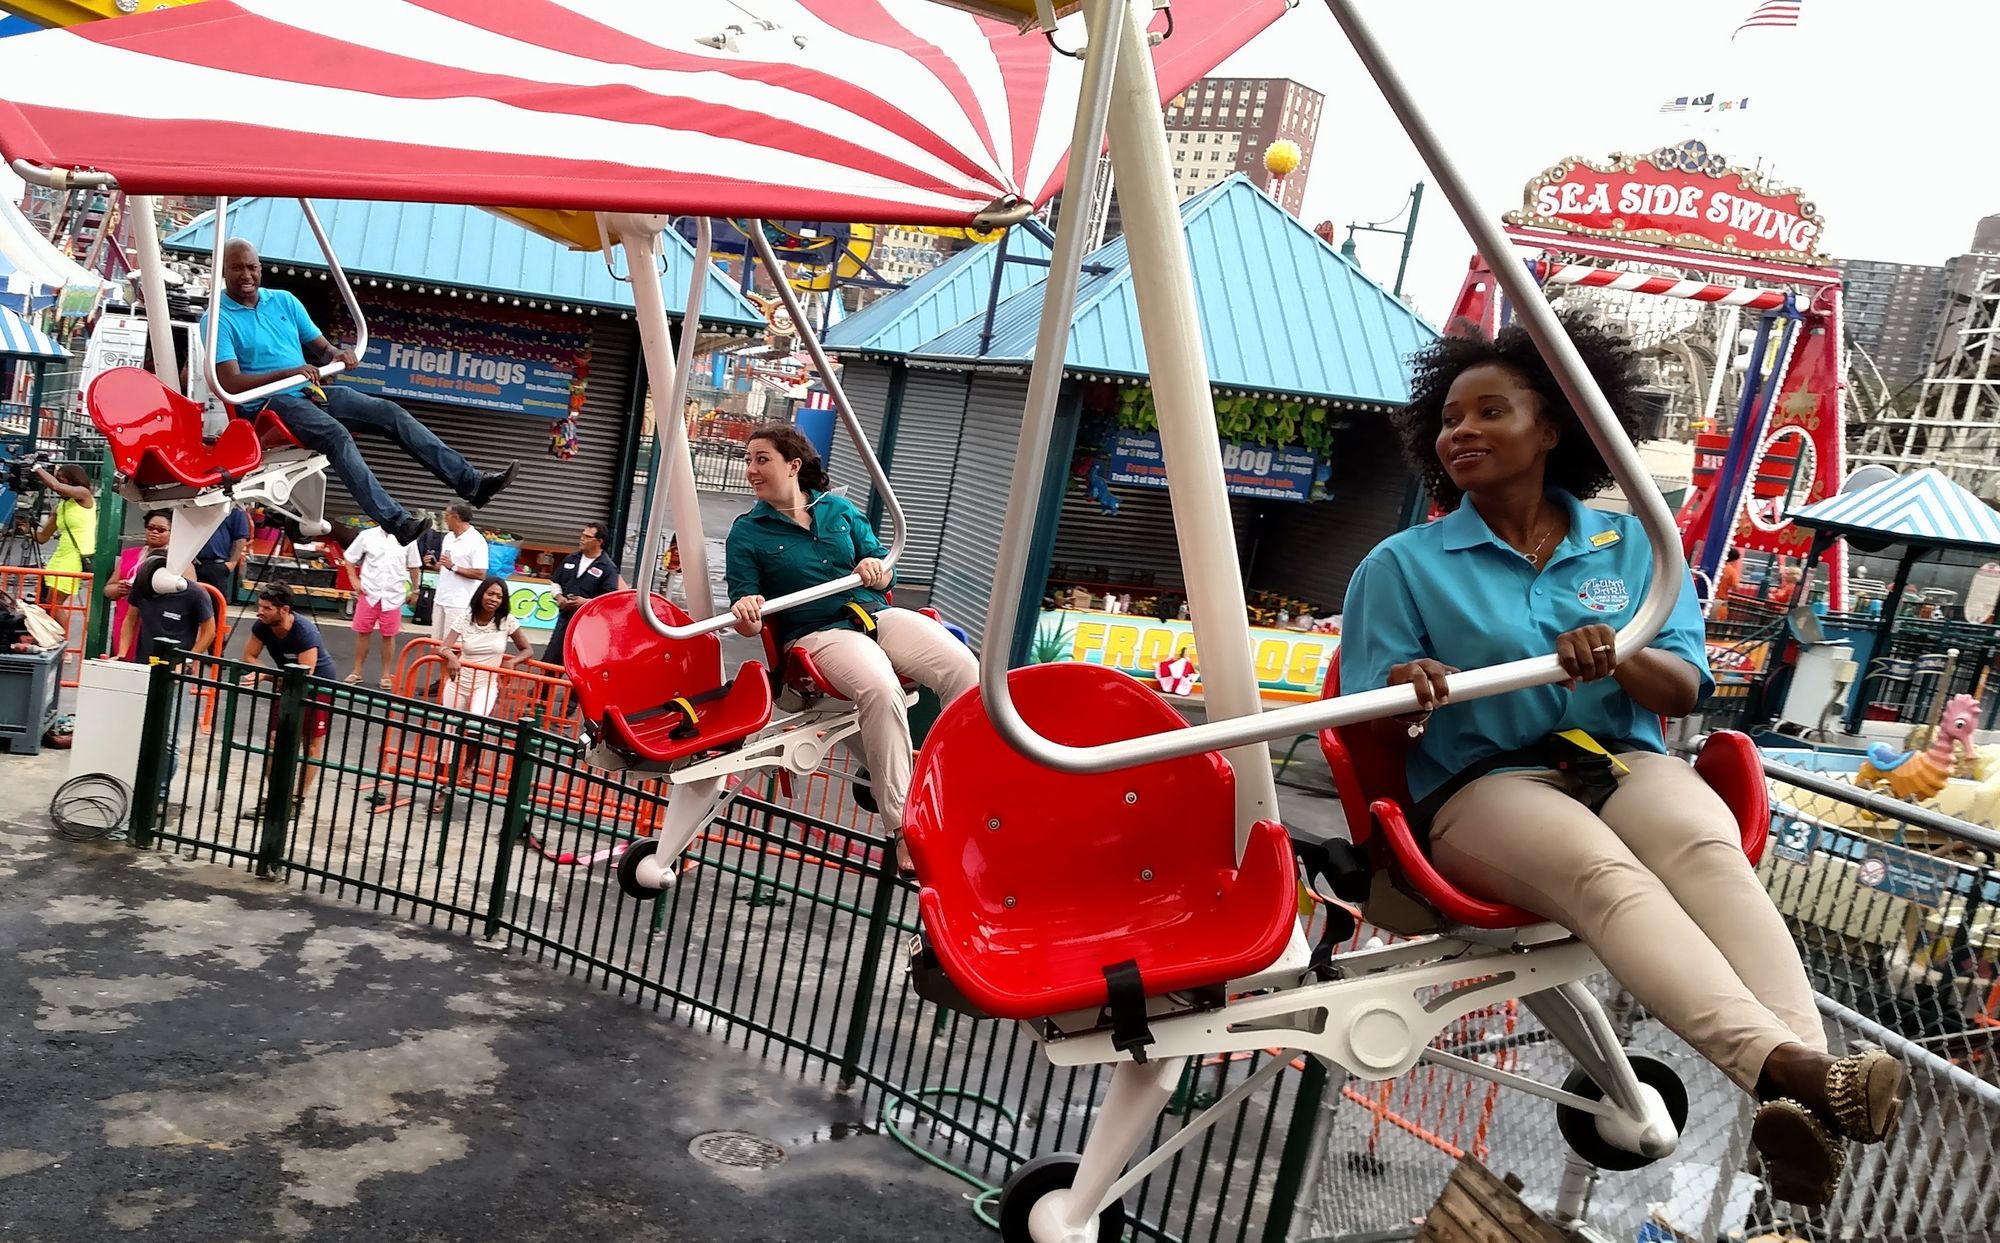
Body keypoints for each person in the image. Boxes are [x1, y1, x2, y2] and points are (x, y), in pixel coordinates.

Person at [1339, 319, 1906, 1208]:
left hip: (1618, 756)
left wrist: (1621, 656)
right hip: (1485, 781)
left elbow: (1680, 689)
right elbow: (1368, 713)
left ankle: (1799, 1087)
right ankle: (1798, 1068)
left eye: (1492, 410)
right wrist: (1416, 680)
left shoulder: (1634, 545)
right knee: (1606, 873)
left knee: (1701, 844)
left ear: (1553, 427)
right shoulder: (1402, 565)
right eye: (1450, 418)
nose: (1463, 431)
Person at [725, 423, 978, 865]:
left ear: (793, 465)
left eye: (761, 459)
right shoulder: (748, 533)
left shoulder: (838, 511)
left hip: (874, 615)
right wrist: (748, 608)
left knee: (965, 671)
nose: (750, 470)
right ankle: (903, 826)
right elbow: (747, 620)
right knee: (882, 691)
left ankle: (952, 782)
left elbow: (884, 565)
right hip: (820, 633)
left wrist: (877, 568)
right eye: (748, 461)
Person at [203, 238, 517, 546]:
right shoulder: (218, 318)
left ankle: (473, 483)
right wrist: (289, 373)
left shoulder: (283, 301)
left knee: (389, 412)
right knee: (336, 435)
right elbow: (230, 383)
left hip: (307, 392)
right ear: (224, 272)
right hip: (269, 405)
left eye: (252, 267)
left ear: (260, 268)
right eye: (237, 269)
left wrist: (337, 356)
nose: (247, 275)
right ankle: (396, 521)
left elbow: (323, 349)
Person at [114, 551, 217, 809]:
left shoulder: (194, 594)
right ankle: (132, 782)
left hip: (175, 673)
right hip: (144, 666)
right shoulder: (143, 587)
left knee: (168, 736)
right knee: (136, 728)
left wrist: (189, 660)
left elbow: (210, 630)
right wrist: (122, 653)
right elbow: (130, 619)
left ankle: (158, 792)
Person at [435, 576, 531, 814]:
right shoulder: (466, 618)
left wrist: (514, 663)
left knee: (476, 726)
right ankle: (442, 789)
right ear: (481, 594)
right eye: (490, 594)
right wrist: (452, 657)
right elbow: (443, 646)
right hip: (459, 683)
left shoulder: (507, 621)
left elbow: (527, 649)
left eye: (499, 596)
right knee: (448, 733)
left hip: (486, 684)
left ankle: (468, 765)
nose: (494, 599)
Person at [242, 582, 338, 815]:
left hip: (317, 685)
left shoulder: (305, 632)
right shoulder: (262, 626)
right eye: (260, 606)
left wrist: (267, 675)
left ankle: (297, 800)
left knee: (311, 744)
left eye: (267, 608)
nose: (260, 611)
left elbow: (306, 672)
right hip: (285, 680)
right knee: (275, 741)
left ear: (284, 610)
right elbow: (249, 655)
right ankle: (275, 797)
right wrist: (268, 673)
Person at [344, 521, 421, 689]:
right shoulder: (367, 535)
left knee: (389, 635)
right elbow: (349, 558)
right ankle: (357, 671)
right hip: (369, 592)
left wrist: (415, 590)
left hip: (393, 595)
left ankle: (386, 675)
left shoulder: (408, 539)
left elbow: (414, 566)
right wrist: (354, 580)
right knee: (363, 633)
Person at [542, 519, 623, 663]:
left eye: (587, 537)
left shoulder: (608, 568)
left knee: (581, 663)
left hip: (589, 625)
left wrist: (586, 603)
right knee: (551, 659)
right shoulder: (571, 559)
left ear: (599, 541)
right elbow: (556, 582)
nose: (582, 539)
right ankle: (544, 686)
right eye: (582, 535)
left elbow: (610, 600)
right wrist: (559, 597)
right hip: (566, 619)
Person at [102, 508, 177, 642]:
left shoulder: (178, 560)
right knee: (123, 658)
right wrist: (119, 589)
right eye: (150, 528)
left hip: (157, 623)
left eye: (161, 530)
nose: (154, 532)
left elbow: (187, 596)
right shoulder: (129, 554)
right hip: (125, 619)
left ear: (172, 533)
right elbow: (108, 590)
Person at [31, 462, 94, 610]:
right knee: (47, 603)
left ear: (74, 479)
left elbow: (56, 487)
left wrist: (37, 468)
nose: (59, 482)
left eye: (62, 478)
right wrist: (27, 529)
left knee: (54, 604)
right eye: (57, 478)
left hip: (74, 558)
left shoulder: (84, 494)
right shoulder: (61, 507)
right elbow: (42, 537)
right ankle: (52, 633)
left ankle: (62, 633)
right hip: (59, 557)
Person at [432, 502, 488, 642]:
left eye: (447, 516)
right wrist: (434, 564)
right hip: (440, 599)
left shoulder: (476, 541)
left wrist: (453, 567)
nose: (445, 519)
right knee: (435, 643)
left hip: (459, 602)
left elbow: (481, 573)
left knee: (452, 646)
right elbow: (445, 565)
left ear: (456, 518)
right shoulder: (448, 537)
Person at [192, 503, 251, 603]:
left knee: (215, 606)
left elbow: (241, 538)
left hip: (217, 566)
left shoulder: (234, 508)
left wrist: (232, 563)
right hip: (192, 564)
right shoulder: (195, 503)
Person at [1711, 548, 1743, 620]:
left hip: (1707, 598)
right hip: (1720, 602)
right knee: (1714, 626)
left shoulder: (1715, 566)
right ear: (1734, 560)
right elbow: (1736, 588)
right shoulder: (1731, 571)